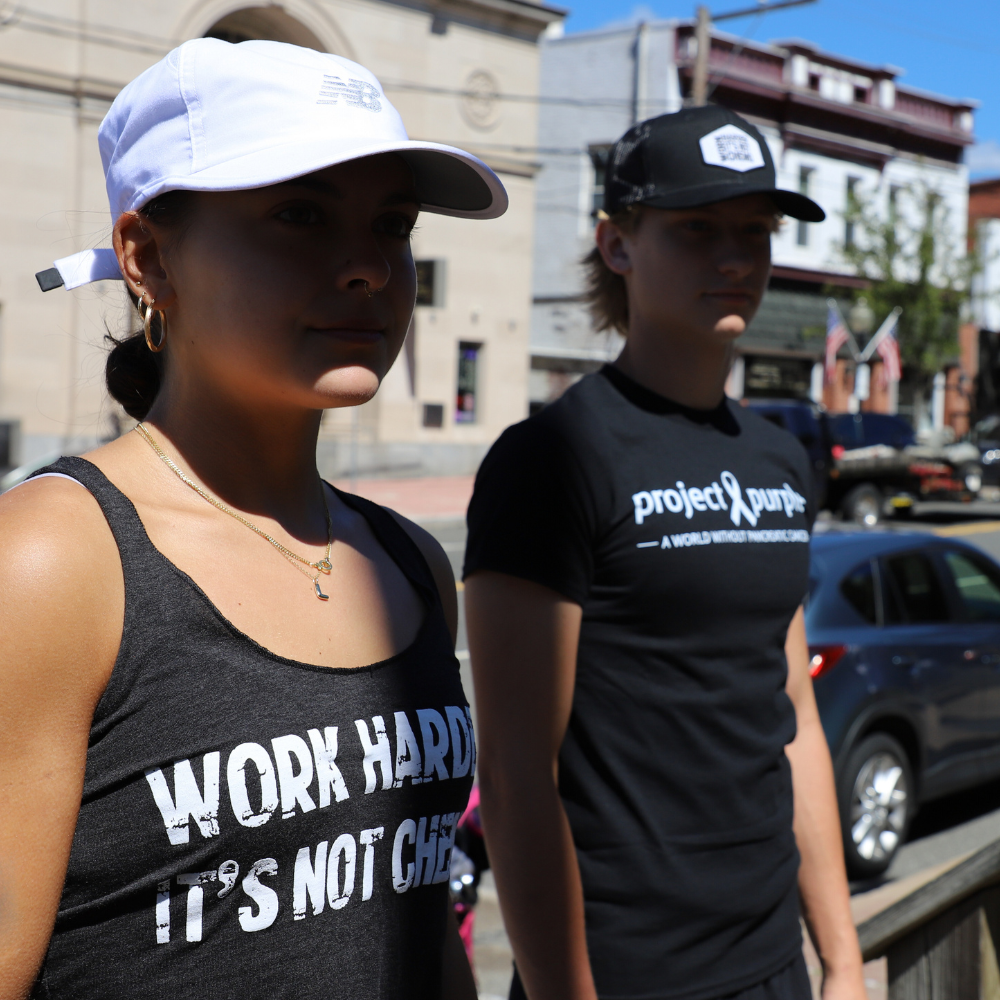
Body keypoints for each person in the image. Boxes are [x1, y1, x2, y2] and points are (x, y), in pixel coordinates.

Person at [0, 37, 506, 1000]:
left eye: (392, 224)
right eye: (300, 215)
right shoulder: (53, 563)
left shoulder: (406, 564)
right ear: (146, 255)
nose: (365, 266)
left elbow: (422, 920)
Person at [464, 106, 866, 1000]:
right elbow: (518, 774)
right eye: (697, 230)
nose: (736, 259)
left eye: (755, 233)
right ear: (616, 245)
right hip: (624, 972)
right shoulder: (551, 460)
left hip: (771, 968)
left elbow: (791, 710)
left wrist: (840, 961)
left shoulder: (778, 458)